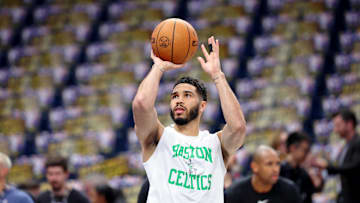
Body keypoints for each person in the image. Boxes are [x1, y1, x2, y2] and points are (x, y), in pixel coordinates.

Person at [132, 36, 246, 202]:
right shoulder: (158, 137)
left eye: (187, 95)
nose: (179, 100)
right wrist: (158, 67)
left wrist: (218, 76)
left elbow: (238, 127)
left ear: (202, 106)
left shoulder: (216, 144)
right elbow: (141, 104)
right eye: (174, 96)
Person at [224, 145, 301, 203]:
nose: (276, 169)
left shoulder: (290, 190)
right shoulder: (235, 193)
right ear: (254, 167)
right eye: (269, 164)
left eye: (278, 164)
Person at [313, 109, 360, 203]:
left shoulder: (358, 143)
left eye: (338, 125)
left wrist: (328, 166)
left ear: (349, 124)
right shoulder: (346, 145)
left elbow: (353, 167)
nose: (335, 130)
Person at [280, 132, 323, 203]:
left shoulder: (303, 172)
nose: (307, 154)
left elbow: (316, 188)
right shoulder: (280, 170)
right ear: (293, 148)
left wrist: (318, 172)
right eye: (305, 150)